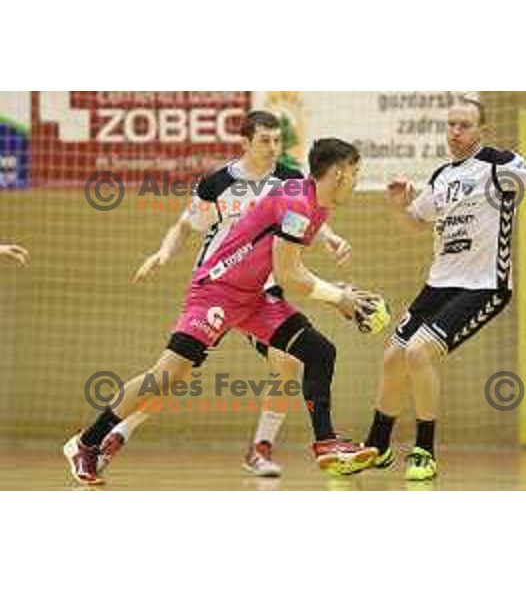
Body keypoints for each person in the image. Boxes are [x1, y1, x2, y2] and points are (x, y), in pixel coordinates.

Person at [64, 137, 378, 485]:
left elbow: (285, 267)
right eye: (355, 171)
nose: (357, 178)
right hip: (216, 291)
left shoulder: (315, 205)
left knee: (320, 352)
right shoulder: (297, 202)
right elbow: (289, 275)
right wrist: (338, 297)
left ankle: (326, 444)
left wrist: (337, 293)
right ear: (337, 172)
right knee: (165, 376)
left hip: (254, 298)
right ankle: (88, 442)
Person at [128, 111, 352, 477]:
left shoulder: (290, 178)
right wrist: (164, 252)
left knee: (289, 362)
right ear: (245, 142)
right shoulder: (218, 181)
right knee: (174, 375)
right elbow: (186, 225)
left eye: (277, 140)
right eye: (264, 140)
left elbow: (304, 215)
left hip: (263, 287)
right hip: (219, 284)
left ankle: (261, 446)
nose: (273, 147)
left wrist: (331, 239)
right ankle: (119, 430)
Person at [363, 97, 526, 481]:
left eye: (464, 125)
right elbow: (415, 225)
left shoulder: (499, 163)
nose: (455, 132)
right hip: (440, 283)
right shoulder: (441, 176)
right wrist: (396, 206)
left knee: (419, 353)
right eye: (451, 125)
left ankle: (424, 450)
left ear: (481, 130)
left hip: (484, 285)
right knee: (394, 356)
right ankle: (378, 446)